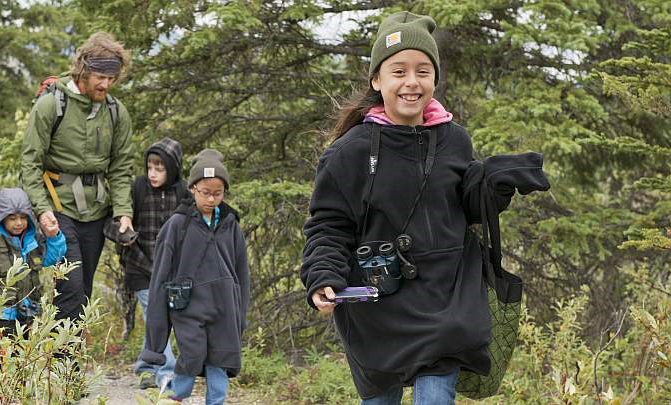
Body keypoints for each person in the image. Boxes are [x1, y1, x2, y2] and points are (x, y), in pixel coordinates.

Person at [300, 11, 553, 404]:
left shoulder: (455, 141)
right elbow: (329, 224)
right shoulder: (348, 153)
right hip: (378, 306)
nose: (411, 82)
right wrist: (323, 275)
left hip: (445, 301)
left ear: (434, 78)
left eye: (423, 71)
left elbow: (464, 209)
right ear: (376, 80)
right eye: (398, 71)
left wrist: (494, 184)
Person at [21, 32, 135, 322]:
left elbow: (121, 167)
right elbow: (30, 163)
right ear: (83, 69)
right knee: (70, 286)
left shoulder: (115, 112)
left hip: (95, 211)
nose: (106, 84)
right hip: (60, 208)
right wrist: (42, 209)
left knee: (82, 289)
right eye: (100, 76)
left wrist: (123, 212)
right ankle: (62, 363)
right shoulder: (51, 106)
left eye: (112, 77)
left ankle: (64, 358)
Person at [142, 149, 249, 405]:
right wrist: (155, 341)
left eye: (218, 193)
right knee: (191, 356)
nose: (212, 199)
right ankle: (175, 397)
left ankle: (216, 402)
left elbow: (241, 273)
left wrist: (240, 312)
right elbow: (159, 278)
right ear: (192, 189)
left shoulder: (231, 224)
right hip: (188, 307)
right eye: (205, 192)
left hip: (224, 307)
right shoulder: (177, 225)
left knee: (220, 360)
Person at [0, 188, 66, 379]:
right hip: (6, 312)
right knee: (7, 349)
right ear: (2, 219)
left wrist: (54, 236)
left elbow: (54, 257)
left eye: (23, 217)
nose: (18, 223)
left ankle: (16, 385)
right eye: (12, 218)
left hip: (30, 309)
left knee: (24, 349)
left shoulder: (34, 243)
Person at [120, 137, 187, 390]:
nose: (152, 174)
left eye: (160, 169)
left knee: (163, 319)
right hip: (141, 267)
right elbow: (117, 221)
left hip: (170, 270)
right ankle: (167, 373)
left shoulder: (182, 193)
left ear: (172, 169)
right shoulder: (138, 188)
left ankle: (145, 366)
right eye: (150, 167)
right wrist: (123, 237)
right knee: (153, 316)